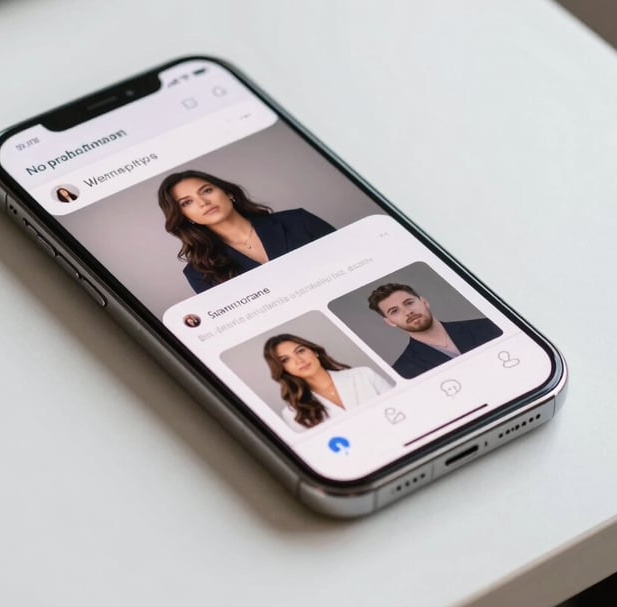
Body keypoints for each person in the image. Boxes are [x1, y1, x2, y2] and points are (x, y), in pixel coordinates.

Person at [158, 170, 335, 293]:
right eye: (186, 203)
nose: (203, 202)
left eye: (207, 191)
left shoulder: (298, 220)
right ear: (184, 215)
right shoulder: (199, 273)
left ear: (228, 193)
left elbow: (353, 259)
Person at [367, 283, 503, 379]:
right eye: (394, 311)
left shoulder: (487, 326)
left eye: (409, 303)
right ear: (390, 321)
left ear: (424, 302)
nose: (408, 312)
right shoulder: (403, 371)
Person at [263, 334, 394, 430]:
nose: (299, 361)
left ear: (314, 351)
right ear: (283, 369)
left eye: (300, 351)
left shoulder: (363, 374)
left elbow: (400, 405)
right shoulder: (293, 413)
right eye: (285, 360)